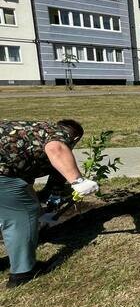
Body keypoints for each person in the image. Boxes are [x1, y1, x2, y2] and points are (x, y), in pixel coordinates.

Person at [0, 120, 98, 287]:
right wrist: (78, 181)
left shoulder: (33, 132)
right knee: (22, 216)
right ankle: (23, 272)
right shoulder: (59, 134)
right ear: (74, 138)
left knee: (20, 206)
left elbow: (24, 182)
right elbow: (56, 148)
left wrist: (40, 210)